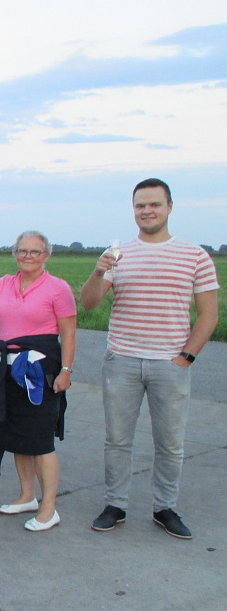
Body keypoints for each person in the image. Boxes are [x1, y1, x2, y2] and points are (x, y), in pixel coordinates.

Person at [81, 178, 219, 539]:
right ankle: (115, 505)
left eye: (155, 204)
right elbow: (89, 303)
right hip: (122, 361)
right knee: (117, 440)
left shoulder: (194, 256)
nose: (147, 211)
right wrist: (99, 271)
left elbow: (208, 315)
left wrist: (185, 357)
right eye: (140, 205)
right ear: (133, 210)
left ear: (169, 207)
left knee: (170, 443)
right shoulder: (118, 254)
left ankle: (164, 507)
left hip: (170, 363)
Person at [0, 231, 76, 532]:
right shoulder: (4, 284)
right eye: (22, 251)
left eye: (35, 252)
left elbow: (68, 333)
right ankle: (27, 496)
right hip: (9, 369)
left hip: (40, 370)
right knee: (17, 433)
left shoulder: (58, 288)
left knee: (41, 439)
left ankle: (49, 508)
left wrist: (66, 370)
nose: (27, 256)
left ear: (46, 255)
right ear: (15, 253)